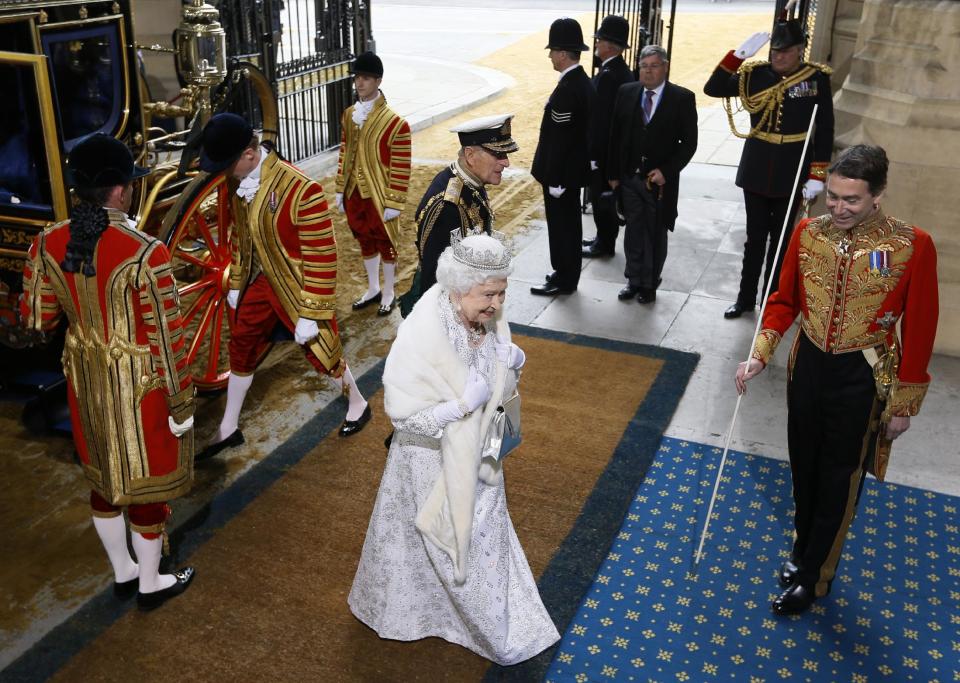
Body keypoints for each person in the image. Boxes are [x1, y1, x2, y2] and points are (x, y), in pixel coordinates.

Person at [735, 145, 939, 615]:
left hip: (862, 374)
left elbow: (922, 323)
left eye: (852, 199)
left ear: (878, 195)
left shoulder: (912, 244)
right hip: (807, 366)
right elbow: (785, 300)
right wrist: (759, 356)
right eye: (834, 196)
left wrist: (904, 403)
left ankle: (815, 577)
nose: (840, 208)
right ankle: (803, 552)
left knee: (838, 477)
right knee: (804, 466)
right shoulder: (808, 233)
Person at [349, 232, 560, 664]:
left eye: (502, 293)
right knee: (447, 545)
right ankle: (485, 629)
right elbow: (404, 418)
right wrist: (458, 407)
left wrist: (509, 363)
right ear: (459, 287)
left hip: (481, 453)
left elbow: (496, 379)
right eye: (489, 294)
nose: (497, 304)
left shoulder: (487, 313)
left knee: (481, 535)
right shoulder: (420, 333)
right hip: (429, 462)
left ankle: (481, 616)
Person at [20, 134, 196, 610]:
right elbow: (168, 336)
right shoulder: (145, 250)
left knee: (102, 480)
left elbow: (37, 320)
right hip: (142, 388)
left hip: (84, 382)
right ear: (119, 191)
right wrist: (181, 402)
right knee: (145, 485)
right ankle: (151, 582)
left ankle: (123, 570)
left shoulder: (48, 242)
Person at [197, 113, 370, 460]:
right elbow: (241, 236)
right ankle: (229, 427)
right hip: (257, 283)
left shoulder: (301, 188)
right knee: (242, 344)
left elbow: (323, 255)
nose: (224, 173)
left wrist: (311, 312)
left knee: (322, 348)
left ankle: (358, 402)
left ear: (249, 154)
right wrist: (236, 276)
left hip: (296, 288)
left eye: (228, 164)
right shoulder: (239, 183)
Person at [704, 18, 834, 319]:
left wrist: (817, 174)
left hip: (793, 168)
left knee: (781, 240)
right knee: (755, 238)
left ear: (800, 50)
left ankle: (770, 302)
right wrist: (737, 57)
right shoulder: (754, 74)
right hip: (758, 167)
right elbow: (713, 89)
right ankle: (745, 298)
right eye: (775, 51)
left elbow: (824, 129)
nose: (778, 56)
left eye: (785, 52)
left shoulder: (816, 79)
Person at [607, 45, 698, 304]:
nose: (647, 71)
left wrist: (667, 171)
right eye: (643, 66)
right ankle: (633, 279)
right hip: (629, 178)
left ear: (665, 67)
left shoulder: (682, 98)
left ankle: (649, 283)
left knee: (656, 234)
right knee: (633, 230)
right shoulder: (626, 92)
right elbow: (615, 135)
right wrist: (613, 173)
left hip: (659, 184)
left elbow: (689, 144)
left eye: (653, 65)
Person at [334, 52, 412, 316]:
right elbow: (344, 152)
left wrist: (395, 201)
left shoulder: (396, 123)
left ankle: (389, 290)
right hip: (354, 193)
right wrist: (339, 189)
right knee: (364, 240)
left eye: (366, 78)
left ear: (378, 81)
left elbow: (401, 166)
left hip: (379, 195)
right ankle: (373, 288)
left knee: (385, 241)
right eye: (357, 77)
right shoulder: (348, 115)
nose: (360, 83)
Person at [411, 114, 518, 297]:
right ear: (470, 155)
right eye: (498, 154)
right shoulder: (447, 206)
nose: (506, 162)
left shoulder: (471, 182)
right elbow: (436, 284)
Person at [530, 17, 595, 296]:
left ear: (562, 53)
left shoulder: (569, 89)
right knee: (568, 226)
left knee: (563, 228)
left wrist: (555, 178)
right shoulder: (580, 83)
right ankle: (565, 273)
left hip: (561, 177)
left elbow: (562, 141)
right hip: (569, 174)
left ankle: (564, 279)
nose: (549, 57)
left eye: (552, 51)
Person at [582, 14, 635, 259]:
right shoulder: (615, 70)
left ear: (609, 45)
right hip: (609, 150)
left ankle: (604, 243)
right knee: (602, 197)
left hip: (604, 152)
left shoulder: (610, 75)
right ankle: (602, 238)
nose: (596, 45)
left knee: (603, 198)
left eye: (599, 40)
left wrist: (594, 155)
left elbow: (602, 122)